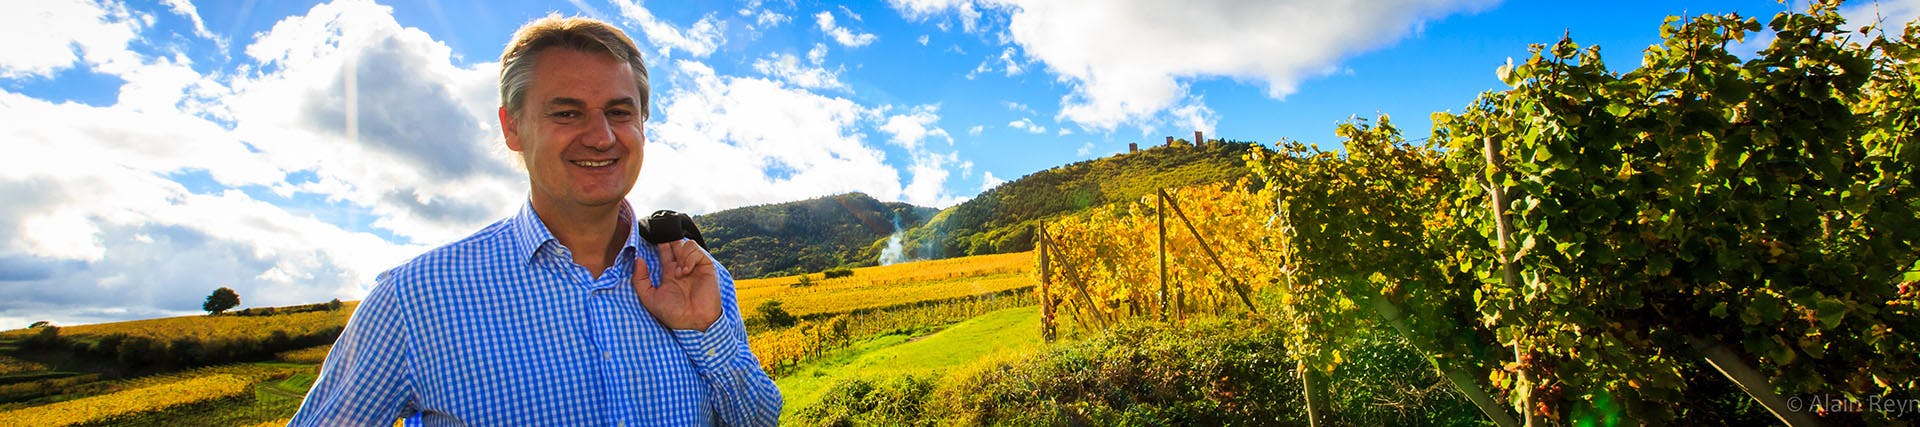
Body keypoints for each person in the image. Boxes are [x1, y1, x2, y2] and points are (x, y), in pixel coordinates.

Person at [291, 15, 781, 425]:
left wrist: (706, 330)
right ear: (513, 128)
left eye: (619, 111)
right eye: (567, 113)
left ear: (642, 125)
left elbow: (760, 419)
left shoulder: (698, 278)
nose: (602, 136)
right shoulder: (415, 299)